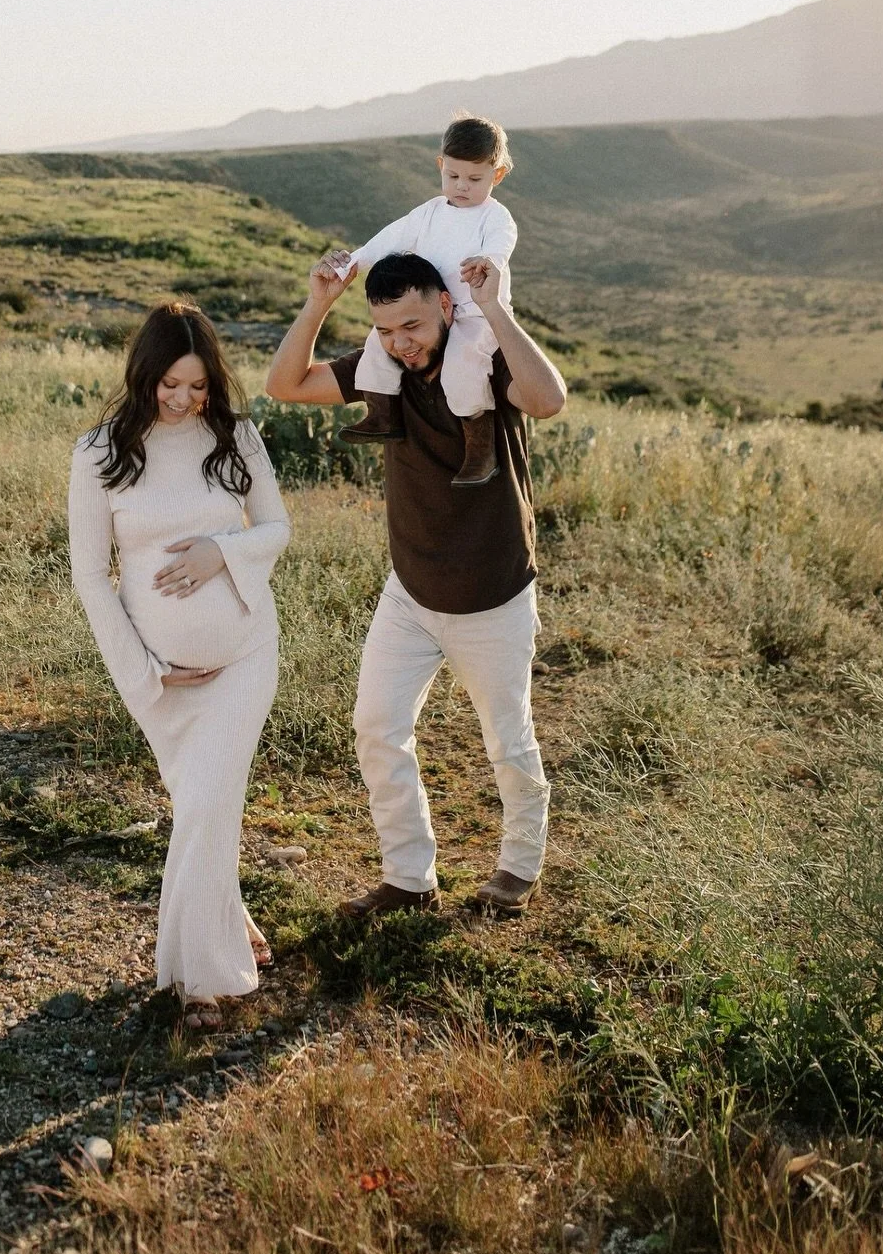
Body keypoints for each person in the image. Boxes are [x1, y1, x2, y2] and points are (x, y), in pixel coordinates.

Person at [265, 247, 566, 919]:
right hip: (410, 592)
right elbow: (284, 385)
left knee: (507, 741)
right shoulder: (381, 372)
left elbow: (548, 399)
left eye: (414, 326)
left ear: (446, 309)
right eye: (386, 330)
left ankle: (518, 867)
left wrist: (494, 308)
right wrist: (318, 302)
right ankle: (409, 879)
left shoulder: (484, 363)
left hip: (494, 592)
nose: (402, 343)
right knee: (376, 727)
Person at [69, 300, 290, 1028]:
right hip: (160, 676)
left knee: (203, 803)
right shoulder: (99, 454)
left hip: (245, 654)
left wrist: (219, 550)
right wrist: (147, 667)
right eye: (170, 383)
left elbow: (279, 528)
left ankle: (198, 981)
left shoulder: (236, 438)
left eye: (197, 386)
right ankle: (228, 921)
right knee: (204, 804)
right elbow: (89, 576)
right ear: (144, 374)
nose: (184, 399)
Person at [330, 115, 517, 487]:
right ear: (440, 166)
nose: (462, 186)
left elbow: (501, 245)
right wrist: (352, 262)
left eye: (475, 179)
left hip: (476, 315)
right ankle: (382, 414)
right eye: (453, 176)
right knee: (376, 347)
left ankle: (480, 447)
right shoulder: (429, 213)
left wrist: (489, 262)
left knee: (463, 368)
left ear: (496, 175)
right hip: (430, 313)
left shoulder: (495, 217)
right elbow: (391, 238)